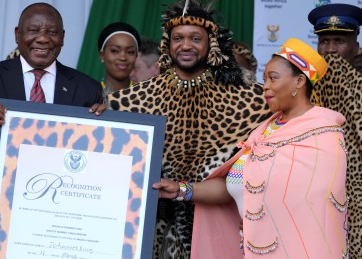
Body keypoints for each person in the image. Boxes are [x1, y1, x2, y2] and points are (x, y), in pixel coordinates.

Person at [154, 37, 348, 258]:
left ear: (299, 82)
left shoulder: (324, 135)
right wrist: (181, 190)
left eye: (273, 78)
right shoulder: (262, 131)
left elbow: (313, 211)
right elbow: (236, 187)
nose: (265, 86)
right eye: (264, 78)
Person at [108, 0, 269, 257]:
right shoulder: (136, 99)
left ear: (211, 43)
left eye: (195, 38)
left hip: (219, 226)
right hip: (157, 231)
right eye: (178, 38)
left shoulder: (250, 101)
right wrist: (97, 115)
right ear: (167, 44)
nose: (185, 45)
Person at [0, 3, 104, 132]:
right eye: (34, 30)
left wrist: (103, 123)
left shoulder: (89, 89)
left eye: (52, 32)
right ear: (17, 34)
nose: (43, 39)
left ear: (63, 37)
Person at [308, 3, 362, 256]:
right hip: (315, 201)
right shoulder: (304, 88)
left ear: (356, 46)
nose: (330, 49)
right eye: (324, 41)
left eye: (339, 41)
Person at [98, 22, 140, 105]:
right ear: (102, 55)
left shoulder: (146, 97)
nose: (123, 57)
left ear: (136, 56)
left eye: (130, 52)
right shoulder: (88, 94)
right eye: (115, 51)